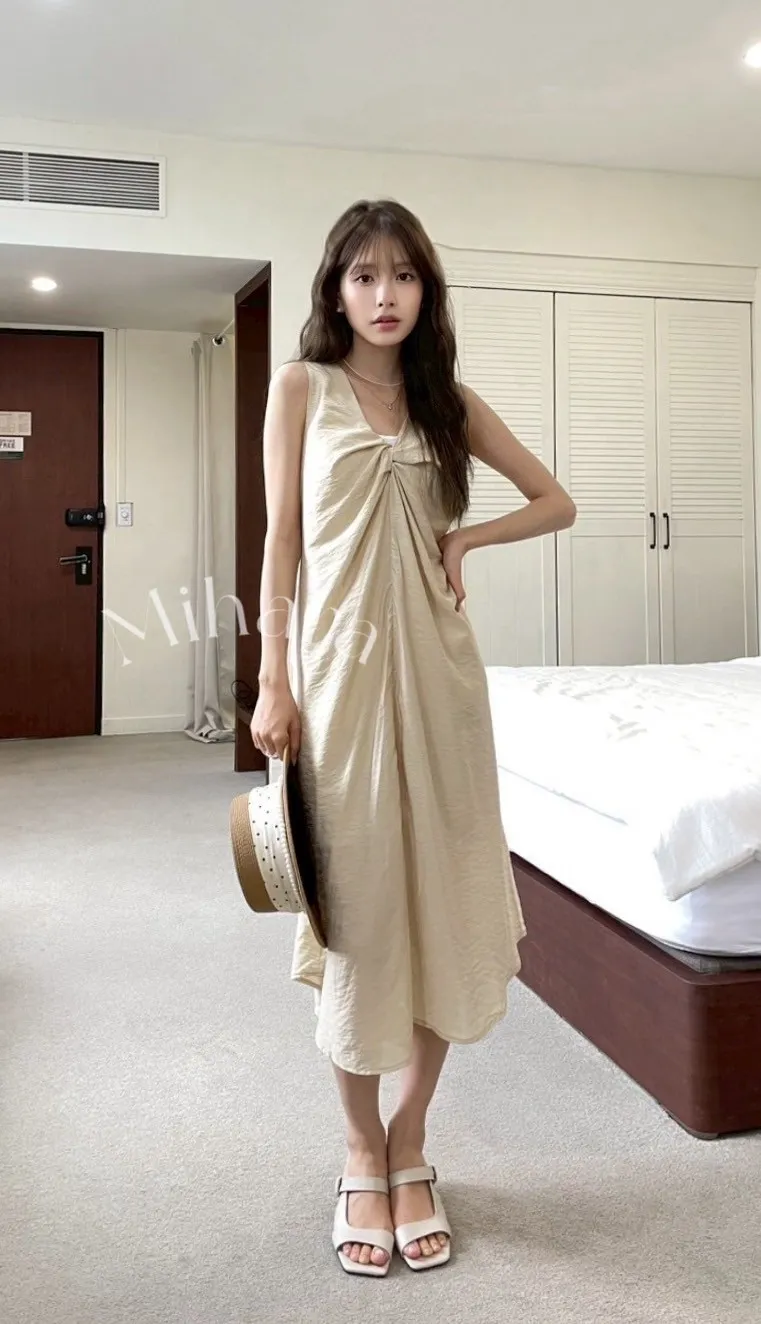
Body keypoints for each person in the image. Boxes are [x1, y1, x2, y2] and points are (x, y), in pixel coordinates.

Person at [250, 199, 576, 1277]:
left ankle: (409, 1140)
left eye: (402, 275)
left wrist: (465, 538)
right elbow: (281, 543)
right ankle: (357, 1147)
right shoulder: (300, 387)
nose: (383, 295)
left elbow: (556, 501)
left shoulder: (446, 403)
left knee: (438, 900)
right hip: (336, 683)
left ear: (425, 290)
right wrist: (272, 678)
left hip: (441, 681)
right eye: (363, 275)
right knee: (355, 907)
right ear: (335, 289)